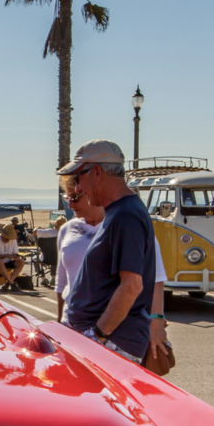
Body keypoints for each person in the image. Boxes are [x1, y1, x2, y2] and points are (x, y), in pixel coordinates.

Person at [61, 139, 156, 364]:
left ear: (96, 171)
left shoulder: (126, 215)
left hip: (113, 342)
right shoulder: (120, 212)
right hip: (108, 340)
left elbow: (132, 286)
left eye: (78, 179)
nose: (78, 188)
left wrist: (98, 336)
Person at [0, 224, 24, 291]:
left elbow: (15, 253)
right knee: (0, 261)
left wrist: (16, 258)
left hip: (9, 260)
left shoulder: (13, 240)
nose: (8, 239)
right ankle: (11, 283)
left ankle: (9, 282)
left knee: (21, 262)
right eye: (6, 237)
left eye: (9, 238)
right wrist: (6, 255)